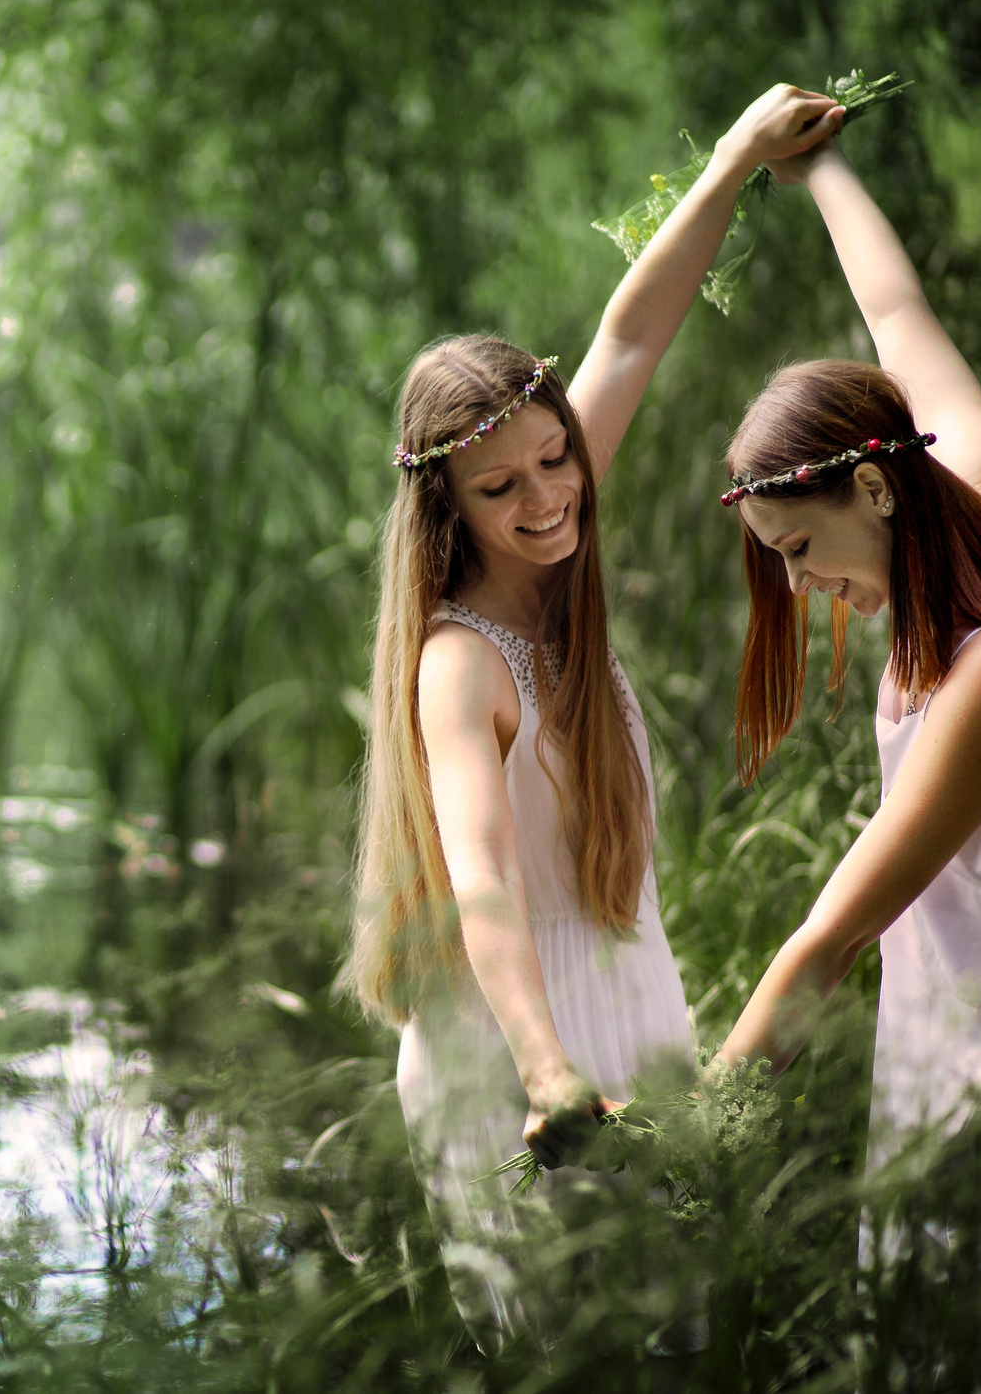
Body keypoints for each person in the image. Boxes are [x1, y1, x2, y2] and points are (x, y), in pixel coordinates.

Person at [346, 83, 848, 1335]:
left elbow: (627, 338)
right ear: (446, 509)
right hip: (516, 1051)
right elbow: (480, 888)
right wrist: (545, 1069)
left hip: (633, 1009)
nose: (545, 498)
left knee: (673, 1346)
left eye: (556, 459)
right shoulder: (461, 663)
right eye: (497, 486)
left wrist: (735, 158)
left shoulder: (558, 570)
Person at [709, 139, 981, 1170]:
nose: (795, 586)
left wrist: (688, 1128)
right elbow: (898, 316)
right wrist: (817, 168)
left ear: (872, 489)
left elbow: (829, 939)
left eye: (799, 549)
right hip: (975, 1038)